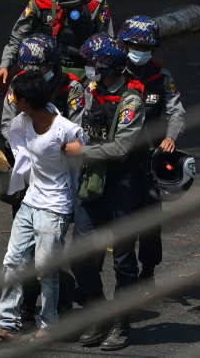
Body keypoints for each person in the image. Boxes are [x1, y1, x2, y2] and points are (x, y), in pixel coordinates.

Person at [0, 71, 86, 347]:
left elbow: (84, 153)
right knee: (12, 262)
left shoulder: (64, 129)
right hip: (30, 202)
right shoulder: (22, 121)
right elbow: (17, 151)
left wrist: (78, 151)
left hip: (55, 206)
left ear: (25, 101)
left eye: (15, 96)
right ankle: (9, 325)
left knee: (44, 269)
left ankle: (49, 324)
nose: (12, 99)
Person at [63, 33, 146, 351]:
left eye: (92, 66)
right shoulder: (87, 91)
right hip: (92, 183)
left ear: (109, 67)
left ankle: (121, 324)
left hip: (123, 185)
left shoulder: (131, 100)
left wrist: (82, 153)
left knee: (124, 260)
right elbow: (76, 126)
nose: (88, 71)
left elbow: (124, 146)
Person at [0, 33, 83, 327]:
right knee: (21, 254)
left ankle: (59, 304)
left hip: (60, 182)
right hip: (28, 180)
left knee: (47, 252)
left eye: (40, 68)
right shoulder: (18, 87)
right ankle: (25, 308)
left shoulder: (73, 88)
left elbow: (77, 132)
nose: (35, 74)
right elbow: (9, 122)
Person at [117, 15, 185, 285]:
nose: (141, 52)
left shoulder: (162, 77)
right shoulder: (113, 74)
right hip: (118, 159)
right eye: (136, 46)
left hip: (150, 161)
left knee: (148, 223)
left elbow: (176, 112)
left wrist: (171, 137)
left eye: (146, 48)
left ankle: (148, 271)